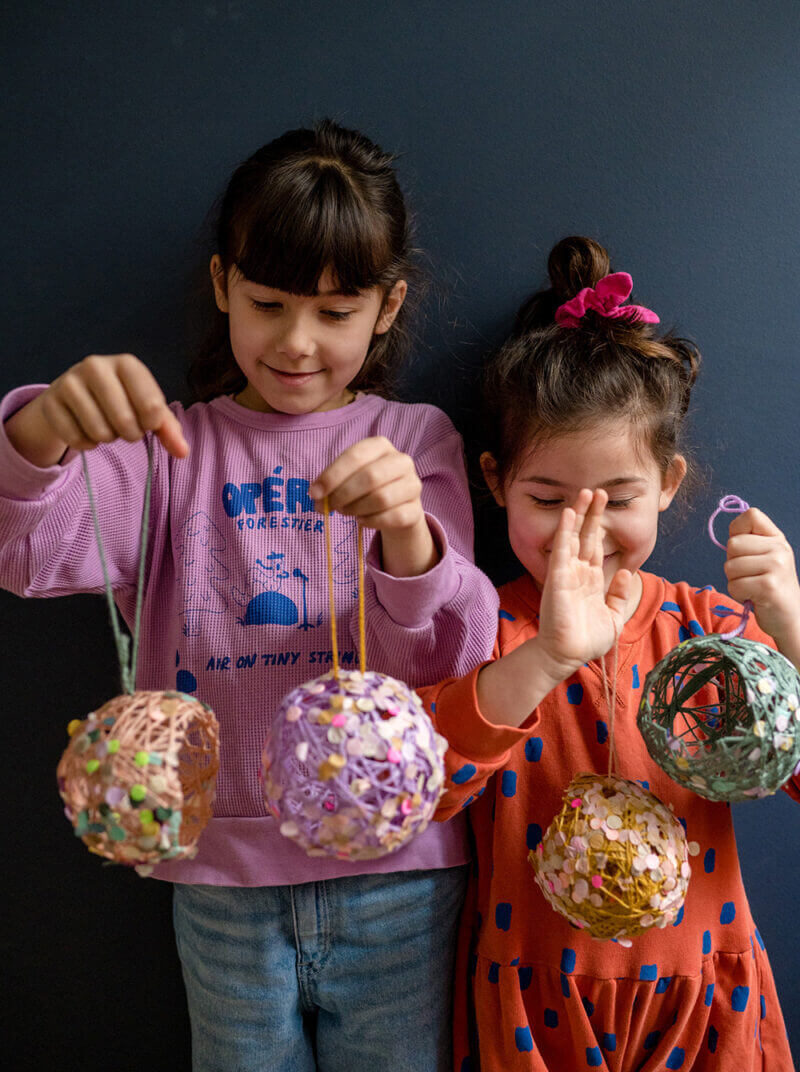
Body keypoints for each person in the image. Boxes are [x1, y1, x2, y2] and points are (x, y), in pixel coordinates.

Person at [0, 120, 499, 1072]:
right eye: (268, 303)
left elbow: (452, 656)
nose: (297, 343)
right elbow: (28, 550)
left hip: (396, 875)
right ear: (225, 284)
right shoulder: (167, 449)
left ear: (388, 307)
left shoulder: (414, 438)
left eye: (337, 311)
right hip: (220, 876)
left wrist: (408, 534)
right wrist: (43, 432)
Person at [420, 236, 800, 1071]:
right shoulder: (481, 627)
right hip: (536, 1005)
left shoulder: (712, 633)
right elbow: (423, 786)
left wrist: (792, 628)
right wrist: (551, 656)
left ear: (669, 482)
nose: (582, 533)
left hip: (703, 995)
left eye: (618, 499)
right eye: (547, 500)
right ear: (494, 481)